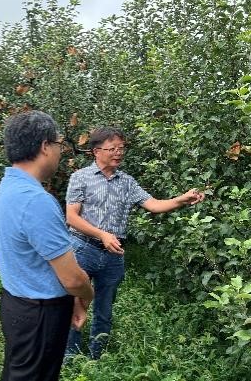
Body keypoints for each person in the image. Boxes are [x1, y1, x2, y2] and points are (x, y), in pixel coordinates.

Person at [65, 127, 205, 359]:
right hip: (83, 249)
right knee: (75, 303)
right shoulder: (80, 177)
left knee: (104, 309)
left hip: (113, 255)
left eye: (121, 148)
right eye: (112, 148)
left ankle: (97, 358)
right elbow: (72, 217)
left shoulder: (127, 182)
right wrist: (102, 235)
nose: (118, 153)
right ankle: (70, 358)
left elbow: (154, 205)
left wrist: (182, 199)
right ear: (96, 151)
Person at [0, 111, 94, 381]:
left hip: (16, 303)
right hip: (40, 315)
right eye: (58, 144)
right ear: (45, 146)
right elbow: (72, 279)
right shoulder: (36, 200)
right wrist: (86, 294)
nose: (60, 151)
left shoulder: (8, 187)